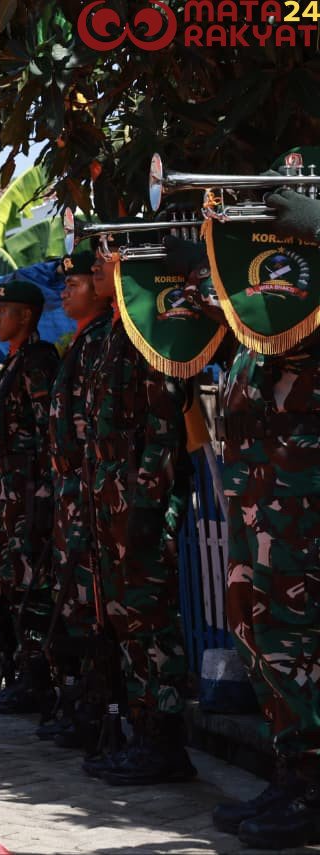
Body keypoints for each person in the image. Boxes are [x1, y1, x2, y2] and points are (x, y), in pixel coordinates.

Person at [206, 187, 320, 849]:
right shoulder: (267, 316)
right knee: (256, 625)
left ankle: (311, 781)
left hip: (301, 503)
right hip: (259, 499)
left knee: (299, 634)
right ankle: (292, 767)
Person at [82, 246, 193, 786]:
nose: (97, 267)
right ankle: (145, 733)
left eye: (107, 259)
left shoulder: (148, 334)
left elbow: (163, 428)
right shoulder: (116, 335)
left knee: (153, 624)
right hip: (114, 504)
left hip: (139, 506)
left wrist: (148, 505)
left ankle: (167, 740)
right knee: (129, 622)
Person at [42, 251, 114, 745]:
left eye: (77, 282)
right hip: (77, 500)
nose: (66, 291)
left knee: (103, 612)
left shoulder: (108, 339)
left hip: (104, 502)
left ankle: (122, 720)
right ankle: (87, 706)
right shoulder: (83, 343)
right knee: (78, 607)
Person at [0, 280, 61, 711]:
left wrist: (43, 497)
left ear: (26, 316)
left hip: (31, 497)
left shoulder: (38, 362)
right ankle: (25, 673)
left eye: (4, 311)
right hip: (9, 498)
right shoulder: (13, 363)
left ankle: (41, 680)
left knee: (35, 588)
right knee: (13, 587)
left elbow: (48, 432)